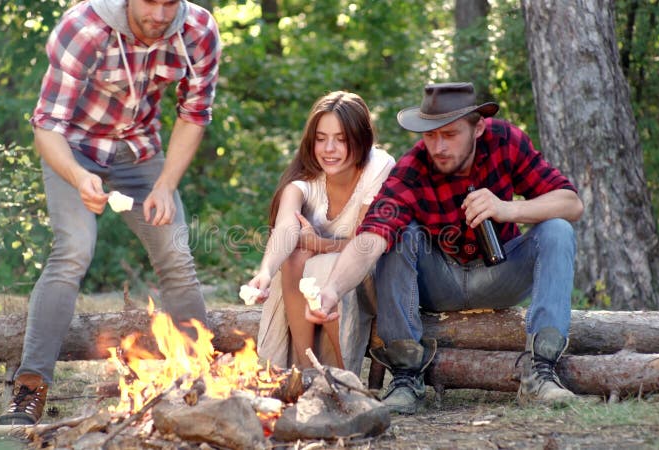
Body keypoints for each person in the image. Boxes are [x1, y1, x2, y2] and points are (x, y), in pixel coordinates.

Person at [0, 0, 220, 425]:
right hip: (73, 148)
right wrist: (80, 179)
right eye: (149, 2)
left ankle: (198, 383)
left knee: (176, 253)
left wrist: (166, 185)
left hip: (140, 151)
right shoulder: (83, 28)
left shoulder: (200, 31)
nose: (158, 14)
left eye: (169, 3)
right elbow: (46, 126)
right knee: (74, 250)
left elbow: (194, 114)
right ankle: (29, 391)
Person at [308, 82, 584, 414]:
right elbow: (370, 238)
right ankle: (407, 376)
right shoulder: (413, 168)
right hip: (438, 282)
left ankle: (540, 373)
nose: (438, 147)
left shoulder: (506, 142)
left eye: (450, 135)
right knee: (397, 235)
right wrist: (331, 291)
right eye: (430, 135)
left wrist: (508, 209)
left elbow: (571, 204)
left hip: (502, 274)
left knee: (557, 229)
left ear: (478, 127)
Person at [247, 91, 395, 375]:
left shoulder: (379, 167)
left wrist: (320, 244)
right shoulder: (305, 178)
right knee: (295, 255)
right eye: (321, 138)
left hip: (372, 276)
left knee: (315, 262)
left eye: (341, 139)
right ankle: (305, 369)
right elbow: (286, 228)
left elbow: (366, 245)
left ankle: (343, 376)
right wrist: (265, 272)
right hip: (317, 281)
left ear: (360, 138)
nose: (329, 148)